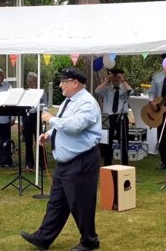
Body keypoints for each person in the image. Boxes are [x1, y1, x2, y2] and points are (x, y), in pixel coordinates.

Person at [20, 68, 101, 251]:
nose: (60, 85)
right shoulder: (69, 101)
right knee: (56, 202)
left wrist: (51, 120)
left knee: (81, 202)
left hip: (82, 159)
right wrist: (49, 134)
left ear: (74, 83)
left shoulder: (87, 103)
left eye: (63, 82)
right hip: (66, 162)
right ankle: (43, 238)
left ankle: (90, 241)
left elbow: (75, 126)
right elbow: (63, 125)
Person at [95, 68, 133, 166]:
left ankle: (124, 163)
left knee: (124, 140)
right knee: (106, 141)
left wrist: (123, 80)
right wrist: (106, 81)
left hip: (122, 115)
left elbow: (131, 92)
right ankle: (107, 163)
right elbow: (97, 91)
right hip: (106, 116)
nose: (116, 79)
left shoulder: (125, 88)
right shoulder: (107, 88)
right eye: (114, 77)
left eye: (118, 77)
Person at [148, 54, 166, 170]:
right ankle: (164, 161)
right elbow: (152, 92)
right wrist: (151, 102)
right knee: (161, 134)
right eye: (164, 61)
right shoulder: (157, 76)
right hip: (159, 109)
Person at [21, 72, 47, 170]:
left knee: (39, 139)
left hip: (38, 116)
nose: (31, 83)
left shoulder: (42, 92)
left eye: (33, 81)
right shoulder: (25, 92)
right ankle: (29, 163)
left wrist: (43, 118)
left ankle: (42, 163)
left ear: (37, 82)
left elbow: (45, 106)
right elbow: (22, 107)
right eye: (29, 81)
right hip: (27, 116)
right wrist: (22, 122)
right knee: (28, 141)